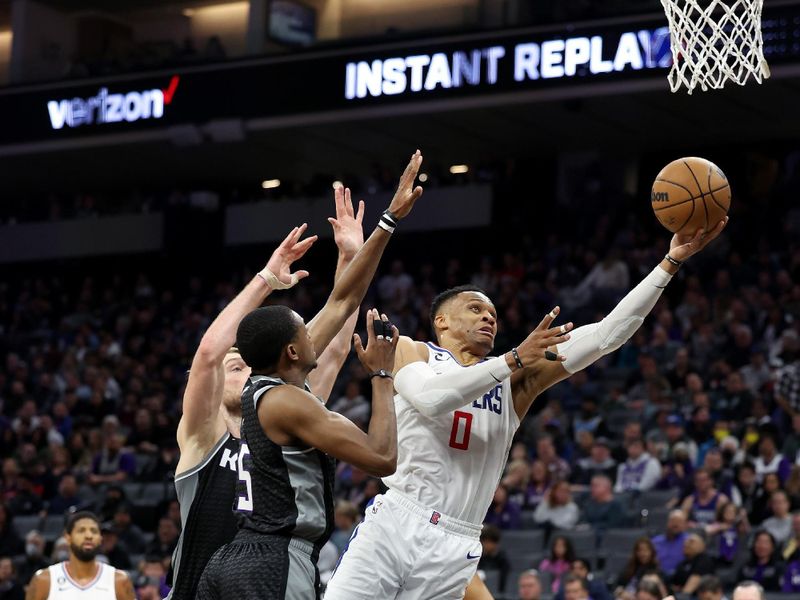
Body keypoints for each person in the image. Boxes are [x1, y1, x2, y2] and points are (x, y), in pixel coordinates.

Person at [326, 216, 728, 600]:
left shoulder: (516, 376)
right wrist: (513, 359)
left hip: (457, 540)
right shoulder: (414, 351)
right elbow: (433, 399)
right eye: (476, 309)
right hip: (399, 518)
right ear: (442, 321)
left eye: (494, 315)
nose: (489, 318)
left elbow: (608, 334)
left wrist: (669, 263)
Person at [196, 151, 425, 599]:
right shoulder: (286, 402)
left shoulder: (270, 385)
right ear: (293, 349)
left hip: (236, 558)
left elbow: (341, 303)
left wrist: (387, 223)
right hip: (275, 560)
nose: (313, 329)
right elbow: (382, 458)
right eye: (305, 328)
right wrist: (381, 374)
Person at [167, 189, 364, 599]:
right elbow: (207, 354)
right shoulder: (203, 435)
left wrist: (350, 258)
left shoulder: (287, 412)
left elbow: (336, 346)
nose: (250, 373)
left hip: (273, 580)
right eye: (236, 367)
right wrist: (267, 281)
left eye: (252, 365)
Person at [24, 511, 134, 599]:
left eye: (94, 531)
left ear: (100, 539)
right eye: (81, 530)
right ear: (68, 537)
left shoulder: (119, 581)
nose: (88, 536)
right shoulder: (44, 580)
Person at [705, 501, 749, 565]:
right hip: (718, 558)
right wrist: (721, 527)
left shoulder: (738, 527)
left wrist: (743, 517)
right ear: (722, 512)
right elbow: (708, 530)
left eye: (732, 511)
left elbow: (747, 531)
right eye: (727, 511)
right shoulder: (717, 525)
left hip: (735, 558)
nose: (729, 513)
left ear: (736, 514)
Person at [477, 525, 510, 594]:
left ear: (496, 543)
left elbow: (504, 581)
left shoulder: (502, 559)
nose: (487, 545)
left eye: (490, 542)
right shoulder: (478, 558)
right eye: (485, 542)